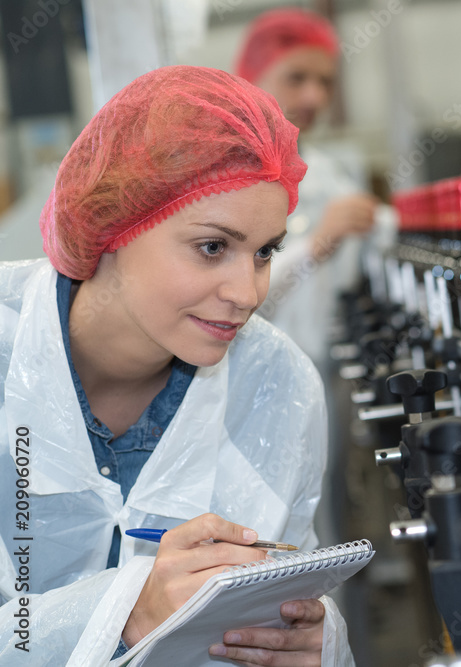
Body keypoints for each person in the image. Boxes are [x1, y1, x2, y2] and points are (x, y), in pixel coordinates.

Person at [0, 66, 354, 665]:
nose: (246, 292)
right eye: (212, 247)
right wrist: (124, 610)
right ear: (113, 221)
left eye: (265, 251)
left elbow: (293, 571)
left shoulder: (276, 385)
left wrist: (310, 644)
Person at [234, 8, 386, 369]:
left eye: (326, 82)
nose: (314, 98)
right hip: (252, 376)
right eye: (296, 78)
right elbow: (233, 295)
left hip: (323, 370)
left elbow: (384, 238)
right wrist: (318, 245)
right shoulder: (227, 177)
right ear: (252, 77)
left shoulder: (324, 170)